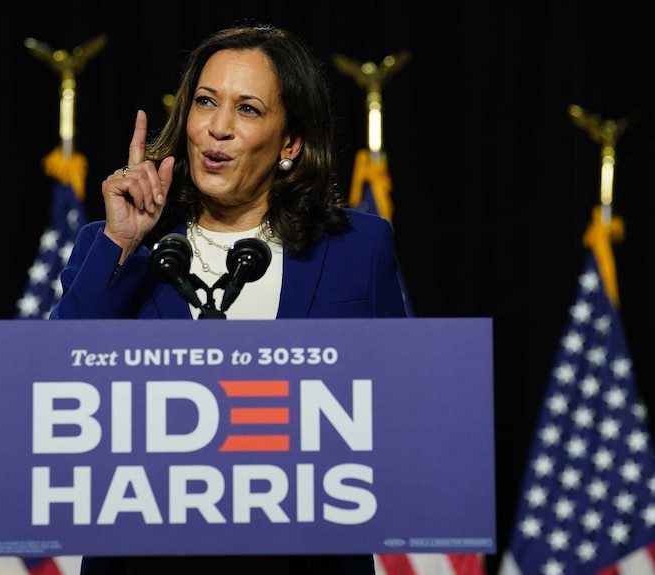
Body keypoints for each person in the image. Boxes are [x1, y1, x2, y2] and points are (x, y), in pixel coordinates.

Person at [50, 22, 406, 575]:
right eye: (206, 102)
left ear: (291, 141)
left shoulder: (358, 249)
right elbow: (48, 389)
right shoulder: (118, 246)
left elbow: (401, 411)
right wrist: (122, 242)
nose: (217, 129)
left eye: (248, 109)